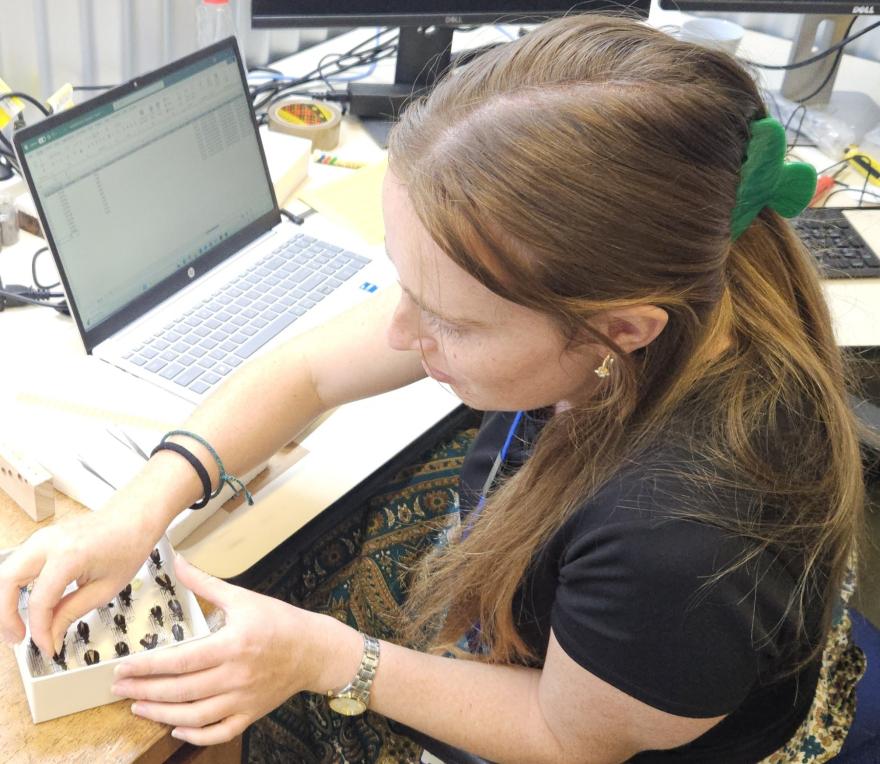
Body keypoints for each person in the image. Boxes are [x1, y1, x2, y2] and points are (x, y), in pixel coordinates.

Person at [0, 14, 867, 763]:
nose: (400, 336)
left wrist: (327, 659)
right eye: (403, 283)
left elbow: (570, 740)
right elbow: (309, 369)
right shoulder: (642, 305)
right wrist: (138, 508)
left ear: (620, 329)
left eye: (449, 320)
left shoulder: (681, 537)